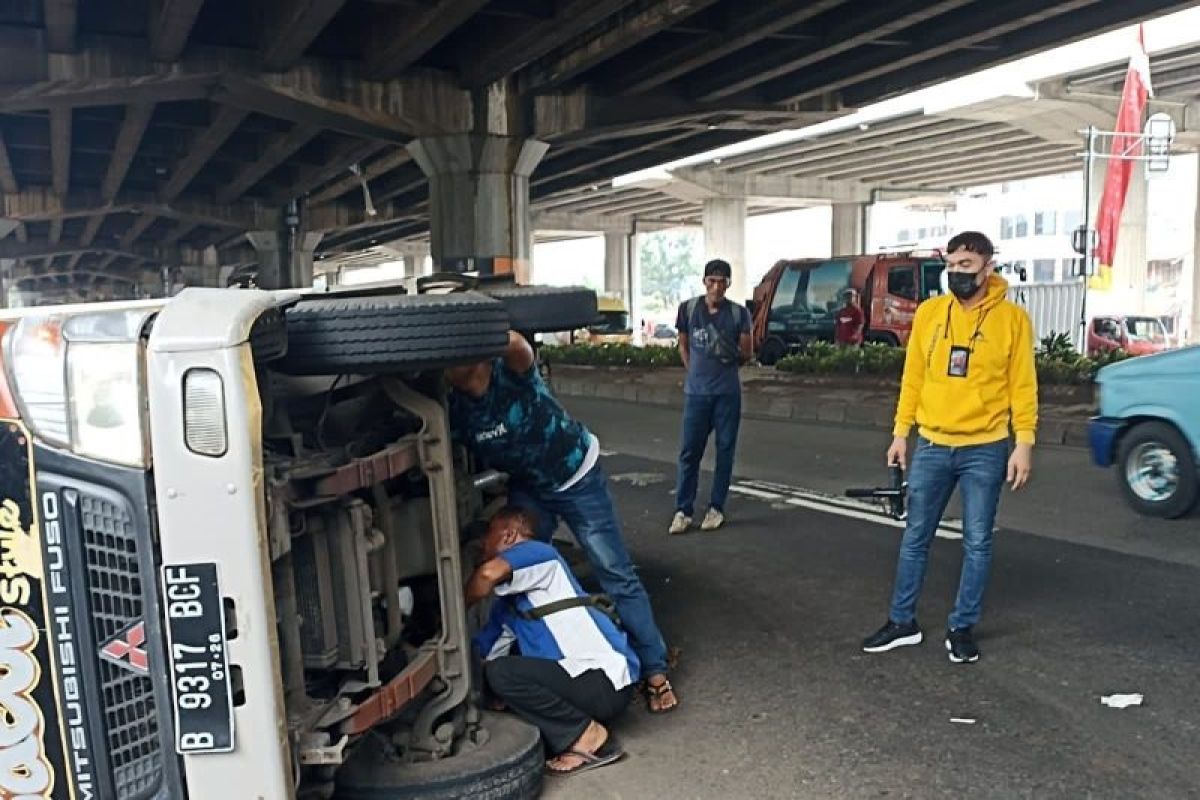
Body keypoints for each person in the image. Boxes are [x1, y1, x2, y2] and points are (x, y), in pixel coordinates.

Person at [447, 331, 679, 713]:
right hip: (530, 486)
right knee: (515, 567)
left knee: (615, 572)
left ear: (473, 359)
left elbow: (518, 346)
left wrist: (475, 324)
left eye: (448, 359)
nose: (442, 370)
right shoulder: (455, 408)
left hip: (576, 475)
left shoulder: (512, 373)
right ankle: (537, 666)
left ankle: (655, 672)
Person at [862, 231, 1037, 664]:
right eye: (953, 265)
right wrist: (901, 433)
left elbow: (1023, 386)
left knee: (977, 542)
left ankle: (962, 627)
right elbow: (913, 378)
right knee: (915, 537)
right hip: (934, 443)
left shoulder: (1012, 320)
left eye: (967, 267)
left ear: (988, 269)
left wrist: (1025, 443)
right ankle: (902, 621)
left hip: (987, 446)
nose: (957, 274)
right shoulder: (930, 314)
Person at [468, 507, 637, 775]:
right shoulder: (508, 607)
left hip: (604, 680)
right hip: (578, 684)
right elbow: (484, 656)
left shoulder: (541, 555)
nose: (482, 546)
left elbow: (486, 575)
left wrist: (451, 609)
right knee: (495, 674)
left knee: (503, 673)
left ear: (510, 535)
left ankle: (588, 735)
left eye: (488, 537)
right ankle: (576, 729)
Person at [668, 259, 754, 535]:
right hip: (696, 395)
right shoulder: (689, 309)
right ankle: (683, 510)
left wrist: (724, 367)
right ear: (704, 281)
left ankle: (716, 507)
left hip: (727, 394)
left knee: (724, 452)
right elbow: (683, 343)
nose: (716, 287)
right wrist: (693, 369)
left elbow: (747, 352)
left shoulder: (739, 314)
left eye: (722, 282)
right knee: (689, 453)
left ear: (729, 284)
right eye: (712, 281)